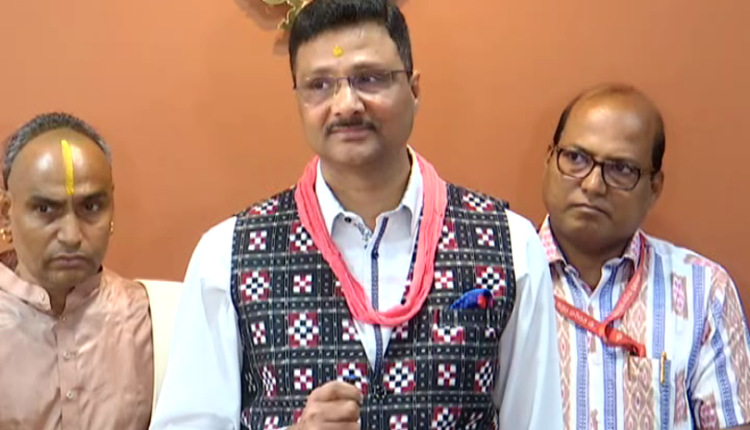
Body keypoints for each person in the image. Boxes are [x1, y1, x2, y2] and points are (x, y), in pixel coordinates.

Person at [150, 0, 564, 429]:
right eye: (319, 85)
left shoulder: (509, 246)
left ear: (415, 90)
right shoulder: (227, 256)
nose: (346, 105)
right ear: (299, 100)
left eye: (370, 78)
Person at [540, 83, 750, 430]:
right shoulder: (500, 281)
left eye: (621, 169)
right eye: (576, 158)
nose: (592, 185)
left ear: (654, 188)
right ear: (549, 160)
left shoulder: (704, 291)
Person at [0, 112, 153, 430]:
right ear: (6, 214)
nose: (71, 235)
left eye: (91, 207)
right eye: (45, 209)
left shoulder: (153, 319)